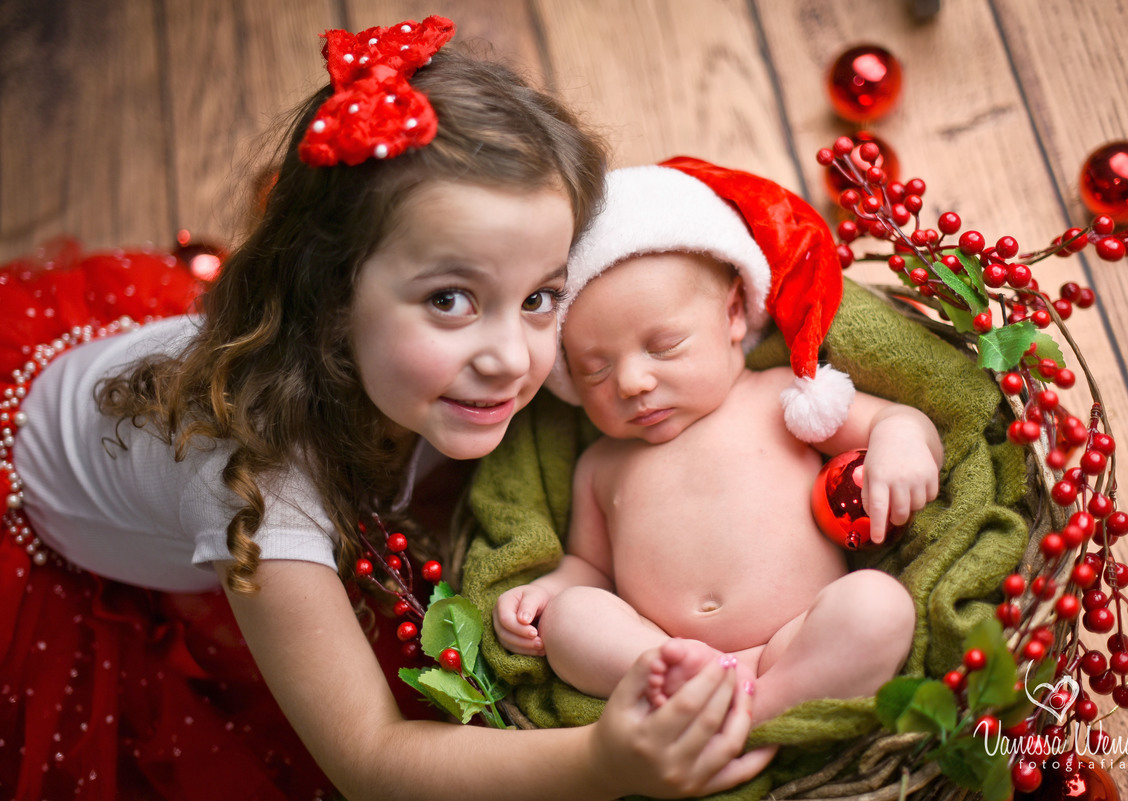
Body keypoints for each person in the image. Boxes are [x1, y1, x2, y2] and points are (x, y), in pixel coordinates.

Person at [0, 20, 771, 801]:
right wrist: (600, 761)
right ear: (330, 294)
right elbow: (368, 758)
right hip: (45, 535)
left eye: (539, 296)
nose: (512, 357)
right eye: (450, 298)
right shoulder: (254, 485)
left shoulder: (431, 369)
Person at [493, 160, 944, 723]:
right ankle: (700, 696)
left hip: (793, 639)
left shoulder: (783, 397)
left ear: (733, 314)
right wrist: (550, 590)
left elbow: (899, 421)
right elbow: (592, 568)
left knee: (879, 606)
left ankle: (759, 710)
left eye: (663, 346)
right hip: (667, 658)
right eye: (595, 370)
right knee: (573, 619)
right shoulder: (600, 464)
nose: (632, 382)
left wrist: (900, 439)